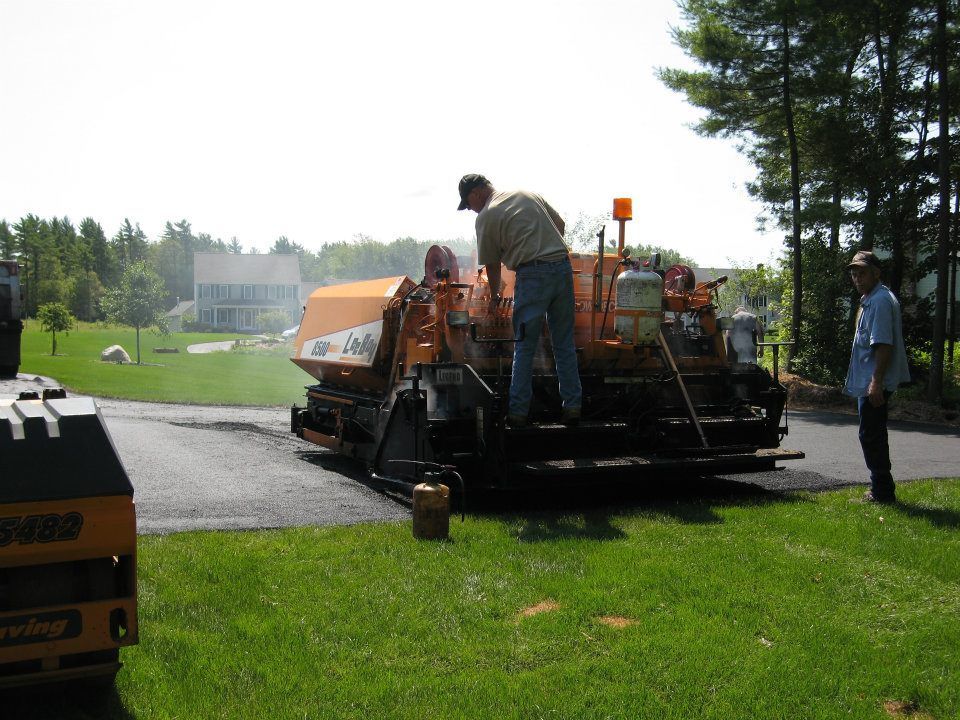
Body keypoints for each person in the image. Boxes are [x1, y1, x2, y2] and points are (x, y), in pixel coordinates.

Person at [457, 173, 582, 427]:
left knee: (525, 345)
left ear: (476, 193)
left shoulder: (486, 215)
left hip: (533, 274)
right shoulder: (527, 194)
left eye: (468, 204)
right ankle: (573, 407)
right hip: (562, 269)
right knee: (563, 344)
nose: (471, 210)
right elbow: (560, 225)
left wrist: (494, 296)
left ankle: (517, 413)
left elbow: (492, 264)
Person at [843, 250, 911, 504]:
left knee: (871, 434)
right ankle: (881, 488)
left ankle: (882, 492)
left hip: (874, 381)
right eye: (854, 273)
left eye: (862, 272)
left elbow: (883, 344)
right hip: (870, 380)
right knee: (872, 433)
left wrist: (876, 382)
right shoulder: (872, 299)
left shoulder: (881, 301)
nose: (857, 278)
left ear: (876, 273)